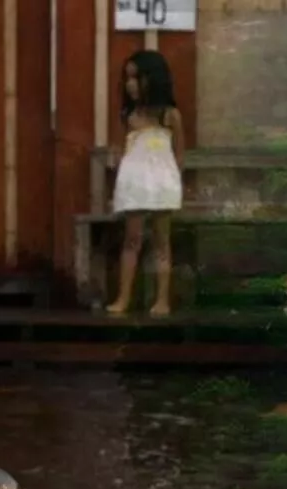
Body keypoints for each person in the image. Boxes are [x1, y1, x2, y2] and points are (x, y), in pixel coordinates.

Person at [107, 49, 185, 319]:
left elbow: (179, 154)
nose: (130, 85)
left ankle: (162, 300)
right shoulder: (128, 117)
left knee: (162, 242)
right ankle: (123, 297)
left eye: (136, 78)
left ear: (154, 79)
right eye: (127, 79)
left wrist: (173, 181)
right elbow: (122, 151)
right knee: (132, 240)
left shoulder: (170, 115)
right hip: (135, 185)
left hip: (162, 184)